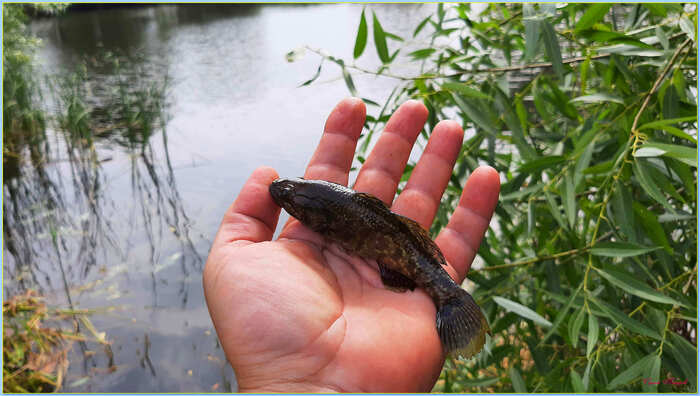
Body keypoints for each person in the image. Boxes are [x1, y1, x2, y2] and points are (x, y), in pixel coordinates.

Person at [203, 98, 501, 392]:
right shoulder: (321, 207)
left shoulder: (320, 214)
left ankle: (448, 299)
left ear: (312, 216)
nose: (285, 200)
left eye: (291, 201)